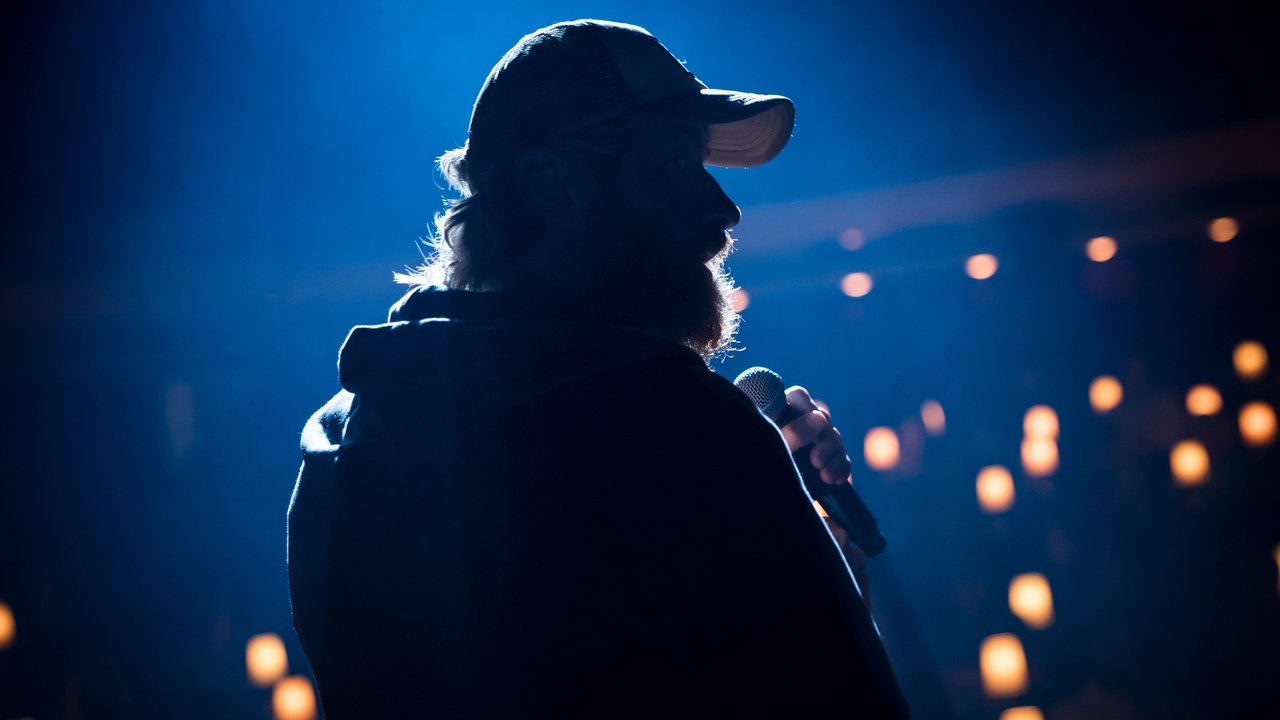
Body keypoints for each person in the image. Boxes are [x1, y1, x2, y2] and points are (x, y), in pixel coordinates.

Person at [288, 19, 910, 718]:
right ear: (550, 183)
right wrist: (798, 541)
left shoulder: (335, 455)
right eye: (676, 163)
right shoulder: (684, 432)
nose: (723, 208)